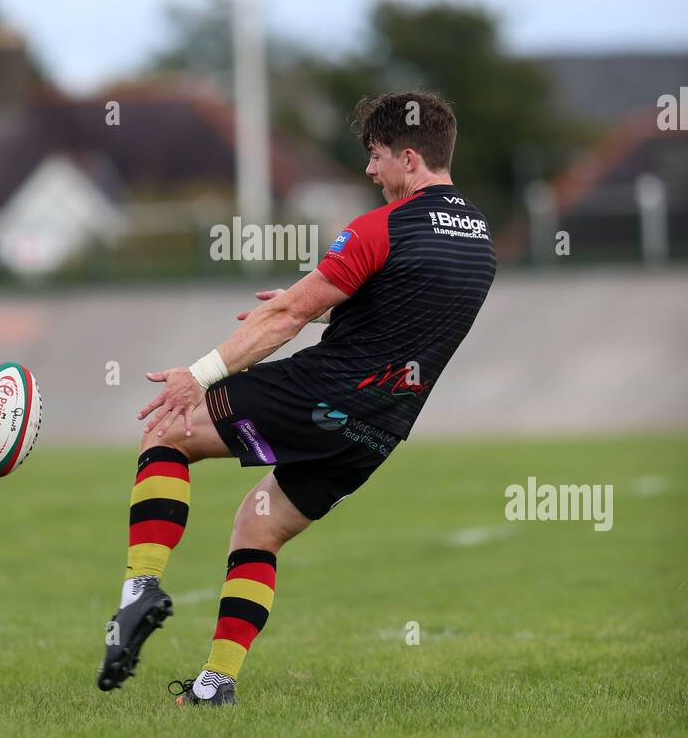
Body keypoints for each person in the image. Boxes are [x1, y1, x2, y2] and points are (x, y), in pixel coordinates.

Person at [97, 91, 496, 706]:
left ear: (409, 157)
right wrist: (328, 303)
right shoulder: (480, 244)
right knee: (258, 529)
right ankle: (214, 686)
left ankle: (138, 590)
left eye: (375, 156)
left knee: (166, 430)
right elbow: (405, 315)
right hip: (379, 430)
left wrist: (198, 375)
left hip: (320, 394)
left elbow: (283, 317)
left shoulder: (380, 226)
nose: (369, 170)